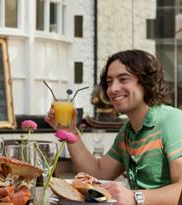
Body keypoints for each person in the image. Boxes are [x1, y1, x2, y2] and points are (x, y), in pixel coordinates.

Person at [46, 49, 182, 205]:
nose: (113, 89)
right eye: (109, 82)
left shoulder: (173, 121)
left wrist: (134, 197)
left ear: (146, 83)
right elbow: (98, 172)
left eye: (123, 79)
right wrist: (70, 133)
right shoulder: (127, 133)